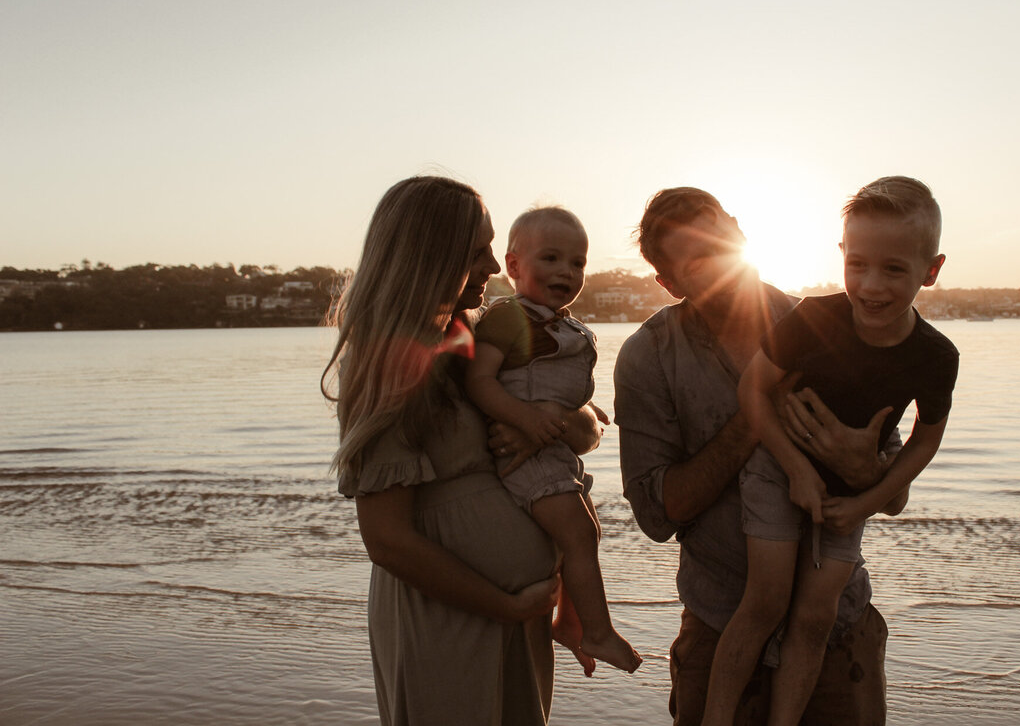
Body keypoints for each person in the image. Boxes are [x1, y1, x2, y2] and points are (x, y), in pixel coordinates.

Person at [616, 186, 908, 726]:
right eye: (699, 259)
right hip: (719, 624)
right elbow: (657, 515)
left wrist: (868, 471)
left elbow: (894, 496)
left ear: (743, 235)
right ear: (669, 282)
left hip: (837, 629)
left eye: (723, 237)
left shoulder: (832, 328)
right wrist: (759, 412)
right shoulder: (648, 357)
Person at [323, 176, 603, 725]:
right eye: (477, 251)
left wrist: (547, 424)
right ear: (432, 255)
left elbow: (593, 423)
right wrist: (506, 604)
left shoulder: (485, 335)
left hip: (516, 615)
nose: (495, 267)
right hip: (448, 613)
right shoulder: (388, 363)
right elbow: (388, 540)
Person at [703, 176, 960, 725]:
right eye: (858, 264)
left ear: (931, 271)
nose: (871, 285)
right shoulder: (815, 319)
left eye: (894, 269)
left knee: (816, 616)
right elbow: (754, 389)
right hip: (778, 465)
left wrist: (869, 500)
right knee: (767, 600)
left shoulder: (936, 356)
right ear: (842, 255)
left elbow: (927, 435)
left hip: (855, 488)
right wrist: (796, 468)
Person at [466, 206, 641, 675]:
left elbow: (571, 400)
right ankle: (598, 632)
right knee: (579, 533)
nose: (567, 271)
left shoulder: (563, 324)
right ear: (515, 265)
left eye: (578, 262)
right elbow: (479, 382)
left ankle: (569, 622)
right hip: (527, 455)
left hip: (555, 452)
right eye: (551, 258)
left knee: (583, 535)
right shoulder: (507, 318)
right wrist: (524, 417)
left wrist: (580, 417)